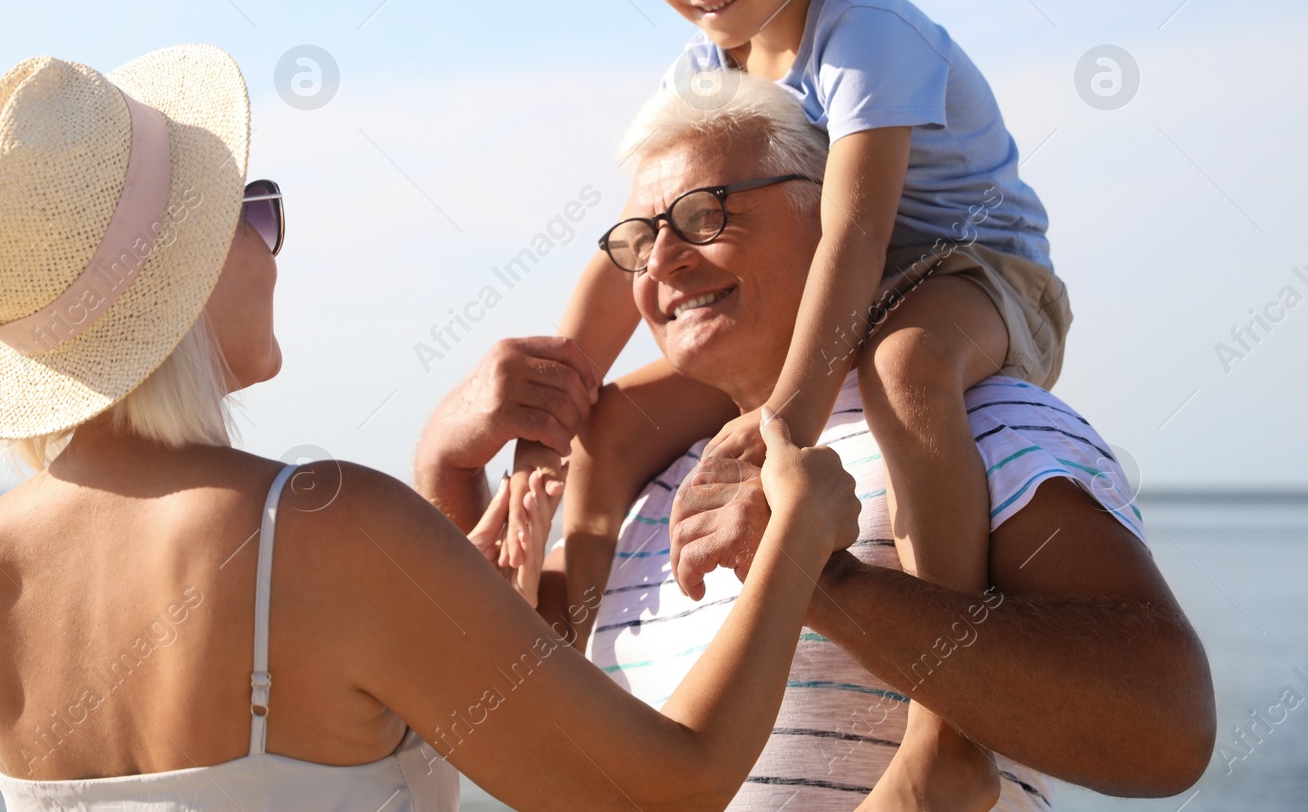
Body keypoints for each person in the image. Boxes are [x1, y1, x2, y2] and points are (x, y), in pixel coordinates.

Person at [0, 44, 860, 812]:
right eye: (253, 210)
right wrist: (799, 532)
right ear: (188, 273)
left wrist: (453, 586)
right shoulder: (325, 523)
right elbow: (669, 786)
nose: (270, 242)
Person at [506, 0, 1070, 806]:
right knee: (612, 426)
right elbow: (627, 241)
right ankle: (577, 686)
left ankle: (946, 736)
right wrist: (550, 405)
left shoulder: (867, 35)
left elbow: (857, 232)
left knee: (905, 371)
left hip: (967, 267)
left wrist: (780, 426)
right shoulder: (706, 65)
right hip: (823, 283)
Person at [428, 72, 1216, 810]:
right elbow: (467, 686)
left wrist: (820, 575)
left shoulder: (969, 420)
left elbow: (1166, 725)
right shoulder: (649, 491)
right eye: (640, 237)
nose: (663, 259)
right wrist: (449, 461)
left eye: (704, 213)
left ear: (830, 216)